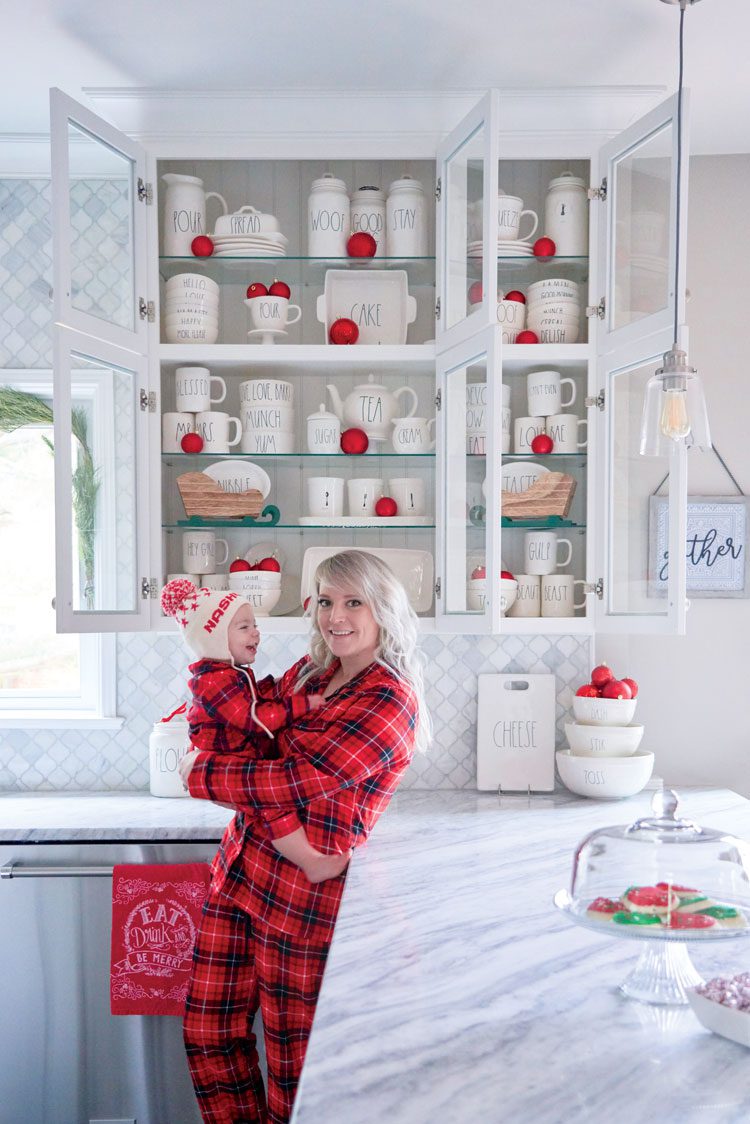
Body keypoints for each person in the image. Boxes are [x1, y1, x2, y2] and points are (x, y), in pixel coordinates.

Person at [179, 550, 430, 1124]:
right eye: (324, 601)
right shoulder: (307, 675)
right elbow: (254, 752)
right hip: (241, 873)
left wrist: (198, 773)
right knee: (207, 1033)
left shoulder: (387, 699)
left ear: (383, 610)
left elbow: (294, 779)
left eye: (352, 602)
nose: (334, 616)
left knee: (294, 1070)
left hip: (304, 904)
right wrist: (239, 767)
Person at [161, 577, 350, 884]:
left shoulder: (226, 673)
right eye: (244, 627)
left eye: (254, 625)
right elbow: (251, 717)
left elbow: (249, 701)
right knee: (273, 806)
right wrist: (302, 704)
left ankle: (311, 860)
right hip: (229, 757)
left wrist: (268, 690)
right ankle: (311, 862)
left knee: (270, 805)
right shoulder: (213, 680)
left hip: (231, 759)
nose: (256, 633)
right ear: (215, 637)